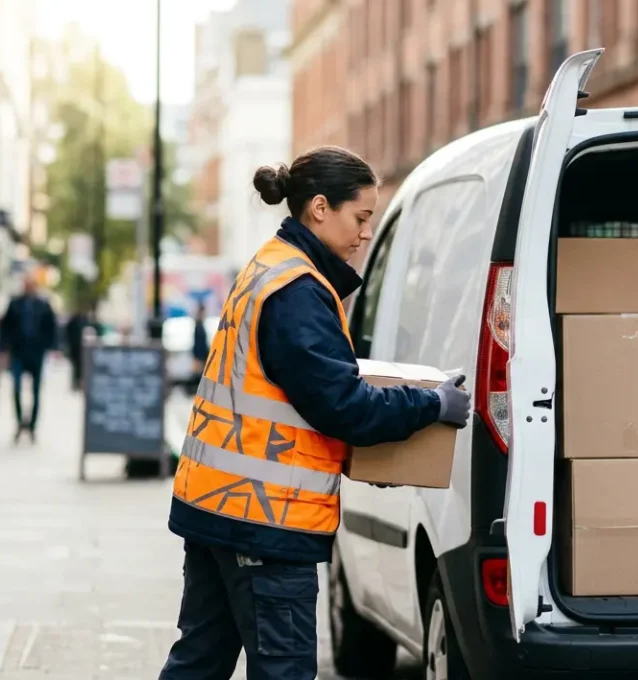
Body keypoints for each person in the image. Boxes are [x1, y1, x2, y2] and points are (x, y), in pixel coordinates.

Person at [158, 147, 471, 680]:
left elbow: (294, 403)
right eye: (362, 217)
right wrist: (432, 405)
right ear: (320, 208)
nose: (366, 232)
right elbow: (343, 405)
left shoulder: (271, 267)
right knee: (281, 671)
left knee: (198, 664)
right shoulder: (298, 291)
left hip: (218, 507)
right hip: (265, 523)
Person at [0, 273, 58, 443]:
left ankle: (32, 426)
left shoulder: (44, 305)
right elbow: (5, 327)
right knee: (16, 388)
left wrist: (52, 347)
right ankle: (19, 422)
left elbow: (51, 327)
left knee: (36, 391)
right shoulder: (15, 304)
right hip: (18, 352)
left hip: (37, 353)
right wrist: (3, 348)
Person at [64, 304, 92, 392]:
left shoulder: (85, 320)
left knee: (80, 367)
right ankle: (76, 383)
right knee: (76, 367)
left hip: (80, 347)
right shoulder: (74, 321)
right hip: (74, 347)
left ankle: (79, 383)